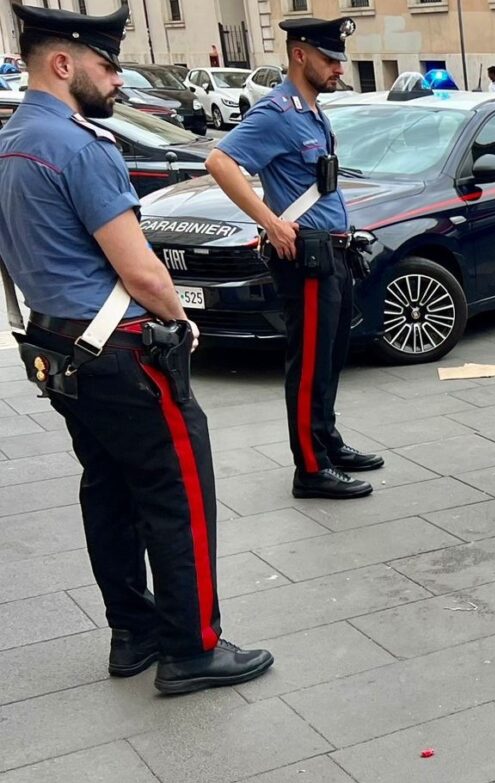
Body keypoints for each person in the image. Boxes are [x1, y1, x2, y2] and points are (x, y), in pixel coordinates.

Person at [0, 2, 272, 695]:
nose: (117, 80)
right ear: (63, 65)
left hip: (58, 345)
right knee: (177, 492)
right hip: (122, 350)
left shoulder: (11, 141)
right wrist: (182, 319)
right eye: (105, 65)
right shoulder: (81, 146)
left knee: (109, 488)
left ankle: (134, 633)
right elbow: (142, 270)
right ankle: (192, 647)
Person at [204, 16, 383, 500]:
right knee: (307, 363)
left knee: (330, 356)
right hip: (305, 258)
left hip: (333, 254)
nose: (339, 70)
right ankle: (310, 468)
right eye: (330, 60)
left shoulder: (312, 113)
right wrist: (271, 221)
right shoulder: (276, 112)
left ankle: (325, 440)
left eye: (341, 61)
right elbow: (220, 162)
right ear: (299, 55)